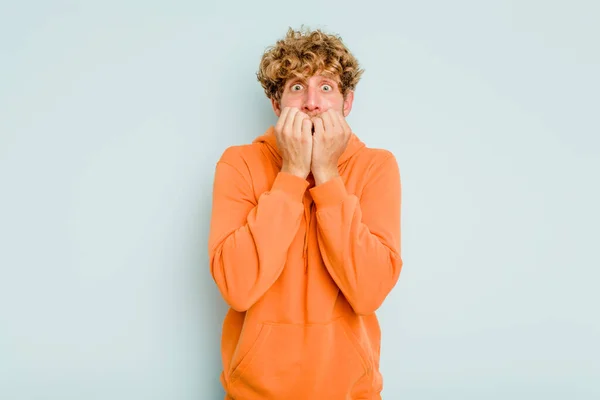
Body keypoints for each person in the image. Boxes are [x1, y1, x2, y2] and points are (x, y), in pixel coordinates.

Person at [208, 27, 403, 400]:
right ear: (276, 104)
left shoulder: (377, 166)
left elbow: (368, 293)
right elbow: (238, 289)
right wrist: (292, 174)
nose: (312, 102)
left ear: (347, 103)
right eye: (297, 87)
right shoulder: (239, 164)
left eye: (326, 87)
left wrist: (327, 174)